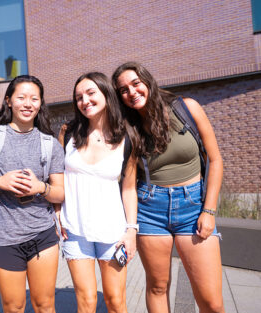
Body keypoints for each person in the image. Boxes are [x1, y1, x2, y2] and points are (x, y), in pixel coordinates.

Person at [112, 62, 224, 313]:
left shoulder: (187, 108)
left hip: (194, 207)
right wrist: (130, 227)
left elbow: (215, 160)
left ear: (147, 81)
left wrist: (209, 210)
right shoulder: (129, 130)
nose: (131, 92)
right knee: (158, 287)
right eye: (123, 90)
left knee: (212, 302)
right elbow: (128, 185)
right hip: (151, 210)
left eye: (135, 84)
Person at [0, 75, 65, 313]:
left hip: (43, 234)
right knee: (14, 306)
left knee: (45, 305)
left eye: (34, 99)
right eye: (21, 97)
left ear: (40, 104)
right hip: (3, 237)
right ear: (9, 101)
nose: (28, 104)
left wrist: (41, 187)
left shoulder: (50, 144)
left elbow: (60, 193)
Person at [57, 72, 138, 313]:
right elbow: (57, 177)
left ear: (106, 94)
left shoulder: (127, 137)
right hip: (74, 230)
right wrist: (56, 212)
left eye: (91, 93)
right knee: (87, 301)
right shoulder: (68, 133)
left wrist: (131, 230)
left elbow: (129, 187)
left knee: (115, 301)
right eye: (79, 97)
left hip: (112, 231)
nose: (85, 100)